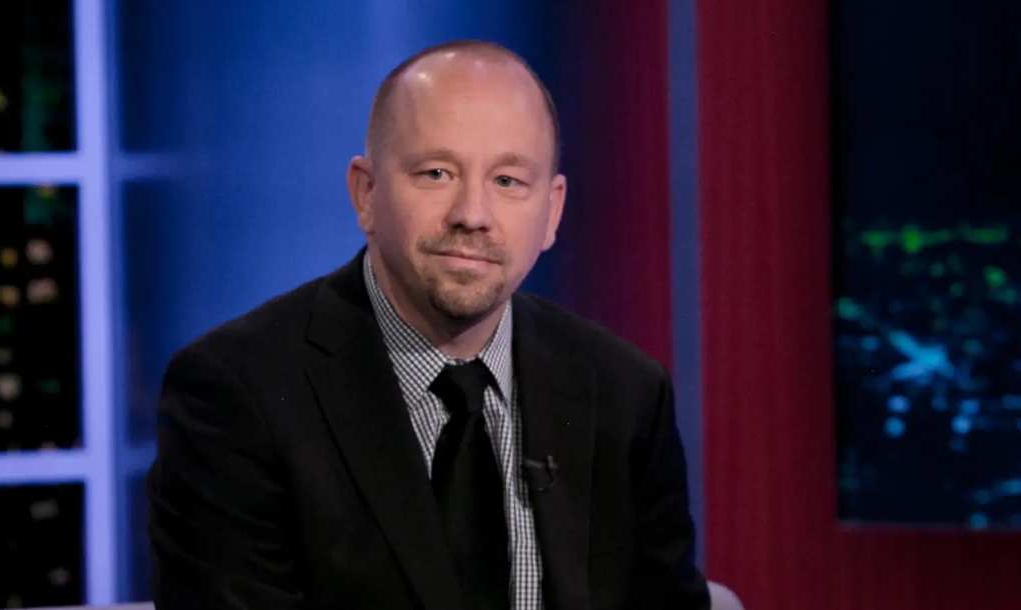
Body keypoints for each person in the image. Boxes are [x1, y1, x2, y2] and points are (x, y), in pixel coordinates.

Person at [146, 39, 710, 610]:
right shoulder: (239, 394)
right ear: (366, 193)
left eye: (508, 181)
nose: (473, 215)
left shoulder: (624, 394)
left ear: (552, 211)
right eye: (436, 172)